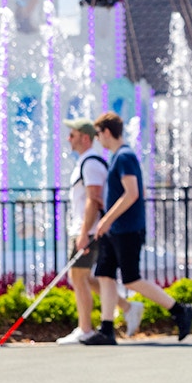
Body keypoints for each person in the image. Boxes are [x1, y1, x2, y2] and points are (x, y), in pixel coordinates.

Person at [82, 111, 192, 344]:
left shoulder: (124, 156)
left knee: (131, 279)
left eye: (98, 134)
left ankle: (180, 310)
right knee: (104, 275)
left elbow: (133, 193)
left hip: (127, 229)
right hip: (115, 230)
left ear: (106, 132)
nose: (98, 140)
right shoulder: (118, 157)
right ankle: (107, 329)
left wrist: (106, 219)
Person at [55, 118, 143, 344]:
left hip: (89, 229)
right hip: (87, 228)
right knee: (90, 277)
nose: (68, 139)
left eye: (72, 135)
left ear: (85, 138)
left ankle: (85, 328)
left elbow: (94, 199)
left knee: (79, 277)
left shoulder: (91, 163)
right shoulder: (86, 162)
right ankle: (127, 306)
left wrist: (85, 233)